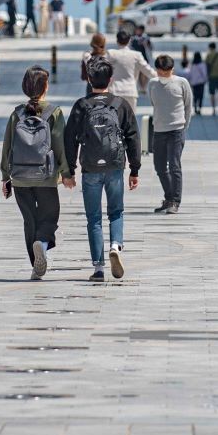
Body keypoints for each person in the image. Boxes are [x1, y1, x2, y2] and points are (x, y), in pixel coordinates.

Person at [62, 57, 141, 281]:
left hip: (90, 168)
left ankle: (98, 268)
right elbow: (133, 137)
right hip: (115, 166)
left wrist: (69, 170)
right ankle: (115, 245)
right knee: (116, 211)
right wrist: (135, 169)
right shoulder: (120, 104)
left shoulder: (81, 105)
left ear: (88, 79)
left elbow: (70, 140)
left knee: (93, 218)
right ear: (111, 80)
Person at [0, 66, 71, 279]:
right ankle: (42, 242)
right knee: (49, 217)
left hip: (20, 177)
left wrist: (6, 177)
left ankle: (36, 264)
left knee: (29, 220)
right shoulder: (54, 112)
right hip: (46, 176)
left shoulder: (17, 113)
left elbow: (7, 146)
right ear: (45, 86)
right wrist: (66, 173)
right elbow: (59, 145)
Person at [146, 54, 194, 214]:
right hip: (159, 130)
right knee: (159, 166)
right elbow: (153, 103)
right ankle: (168, 197)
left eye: (167, 72)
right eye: (161, 72)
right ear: (157, 70)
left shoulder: (182, 83)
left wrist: (184, 126)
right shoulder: (152, 84)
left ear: (172, 70)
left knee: (174, 166)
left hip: (176, 130)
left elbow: (188, 106)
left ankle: (175, 201)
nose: (164, 75)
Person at [106, 29, 151, 115]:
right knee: (130, 121)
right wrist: (163, 76)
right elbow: (147, 70)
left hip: (115, 91)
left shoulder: (111, 54)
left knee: (114, 119)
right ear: (129, 40)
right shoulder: (136, 55)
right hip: (130, 92)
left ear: (117, 41)